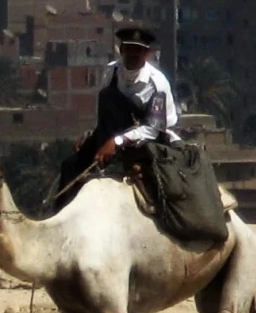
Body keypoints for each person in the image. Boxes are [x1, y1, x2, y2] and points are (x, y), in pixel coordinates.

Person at [54, 23, 181, 210]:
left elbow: (153, 128)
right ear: (121, 50)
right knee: (71, 165)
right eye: (129, 49)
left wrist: (117, 142)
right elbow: (106, 107)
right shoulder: (112, 71)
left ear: (147, 53)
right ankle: (60, 211)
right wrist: (92, 135)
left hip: (151, 139)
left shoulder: (157, 84)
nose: (133, 54)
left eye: (138, 50)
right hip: (114, 132)